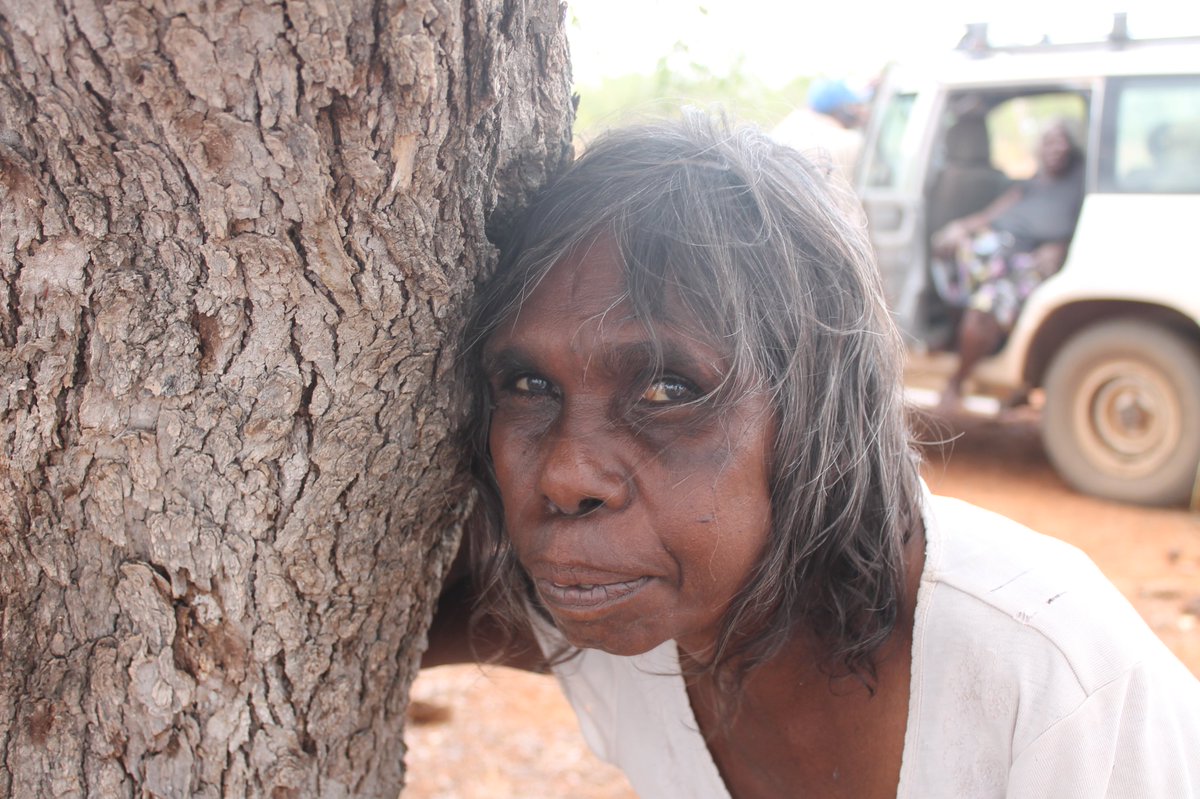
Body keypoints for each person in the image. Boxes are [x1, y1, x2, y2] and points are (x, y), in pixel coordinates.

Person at [424, 112, 1200, 797]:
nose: (564, 476)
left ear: (816, 412)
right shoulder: (618, 611)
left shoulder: (1048, 673)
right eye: (527, 385)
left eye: (667, 389)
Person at [930, 121, 1085, 410]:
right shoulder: (1028, 185)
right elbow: (989, 215)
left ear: (1072, 147)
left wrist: (1061, 247)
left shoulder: (1080, 185)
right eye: (1049, 141)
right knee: (946, 252)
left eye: (1062, 141)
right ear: (1040, 149)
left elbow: (1083, 227)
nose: (1057, 148)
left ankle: (957, 381)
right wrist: (960, 227)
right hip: (996, 247)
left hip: (1027, 259)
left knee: (985, 307)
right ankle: (954, 335)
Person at [771, 78, 868, 184]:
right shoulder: (850, 141)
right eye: (855, 106)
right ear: (844, 109)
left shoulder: (787, 126)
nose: (861, 112)